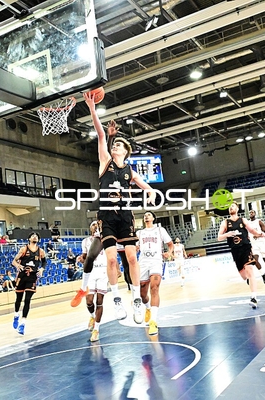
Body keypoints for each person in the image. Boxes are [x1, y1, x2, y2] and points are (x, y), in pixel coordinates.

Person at [84, 90, 157, 324]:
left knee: (132, 258)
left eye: (118, 145)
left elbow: (145, 185)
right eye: (113, 144)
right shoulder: (105, 162)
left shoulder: (129, 170)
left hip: (125, 215)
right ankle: (116, 299)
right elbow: (100, 135)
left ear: (125, 151)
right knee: (112, 260)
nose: (114, 146)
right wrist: (93, 109)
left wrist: (150, 192)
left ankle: (136, 300)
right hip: (106, 215)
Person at [218, 202, 265, 309]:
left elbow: (252, 230)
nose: (231, 208)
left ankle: (254, 298)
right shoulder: (225, 222)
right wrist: (227, 234)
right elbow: (219, 237)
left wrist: (260, 234)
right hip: (235, 251)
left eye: (233, 206)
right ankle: (249, 281)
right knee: (244, 276)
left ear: (237, 209)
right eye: (230, 207)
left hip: (245, 248)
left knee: (250, 270)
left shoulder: (243, 220)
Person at [136, 211, 173, 335]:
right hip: (143, 262)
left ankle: (153, 321)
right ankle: (147, 308)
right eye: (145, 215)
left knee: (155, 288)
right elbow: (135, 248)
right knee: (142, 294)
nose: (146, 216)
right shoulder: (139, 233)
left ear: (153, 218)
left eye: (149, 215)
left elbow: (170, 244)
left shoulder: (160, 230)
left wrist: (169, 253)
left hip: (156, 261)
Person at [11, 232, 46, 335]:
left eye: (36, 236)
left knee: (27, 300)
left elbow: (44, 262)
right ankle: (16, 315)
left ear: (38, 239)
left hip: (32, 276)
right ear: (29, 239)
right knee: (18, 299)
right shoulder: (23, 249)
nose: (35, 237)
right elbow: (14, 261)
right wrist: (17, 265)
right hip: (22, 276)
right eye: (33, 236)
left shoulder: (41, 251)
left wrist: (42, 269)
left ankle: (23, 324)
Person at [82, 222, 109, 342]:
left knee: (99, 301)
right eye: (93, 224)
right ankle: (93, 316)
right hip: (91, 272)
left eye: (97, 224)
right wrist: (80, 258)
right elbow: (84, 257)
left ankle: (96, 329)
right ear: (90, 228)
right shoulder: (85, 241)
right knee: (89, 301)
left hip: (103, 271)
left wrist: (116, 269)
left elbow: (111, 255)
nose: (95, 226)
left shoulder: (105, 239)